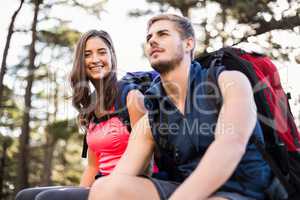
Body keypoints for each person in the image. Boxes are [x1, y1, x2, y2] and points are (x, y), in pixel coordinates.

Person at [88, 14, 272, 200]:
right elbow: (122, 175)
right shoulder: (153, 115)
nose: (153, 41)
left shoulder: (228, 80)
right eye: (149, 38)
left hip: (242, 190)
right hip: (185, 189)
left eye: (163, 34)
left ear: (188, 44)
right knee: (105, 188)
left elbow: (231, 145)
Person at [15, 29, 147, 200]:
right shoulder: (90, 107)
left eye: (102, 52)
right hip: (102, 184)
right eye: (87, 54)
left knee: (47, 198)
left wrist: (110, 188)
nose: (95, 59)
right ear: (80, 61)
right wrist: (79, 193)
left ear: (112, 56)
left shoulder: (131, 96)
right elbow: (93, 166)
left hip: (131, 186)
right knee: (24, 196)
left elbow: (147, 159)